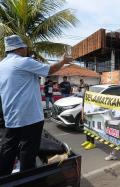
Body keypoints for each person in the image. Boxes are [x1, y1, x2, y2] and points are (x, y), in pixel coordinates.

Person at [0, 35, 72, 176]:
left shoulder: (1, 65)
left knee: (8, 149)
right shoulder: (23, 62)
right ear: (20, 48)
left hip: (10, 117)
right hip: (30, 117)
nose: (27, 50)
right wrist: (63, 61)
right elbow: (49, 70)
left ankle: (4, 177)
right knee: (28, 152)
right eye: (25, 48)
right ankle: (26, 179)